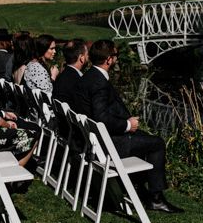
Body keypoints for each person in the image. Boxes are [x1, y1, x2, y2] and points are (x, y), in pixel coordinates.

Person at [73, 39, 184, 214]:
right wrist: (127, 124)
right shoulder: (99, 83)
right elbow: (101, 117)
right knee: (157, 143)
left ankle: (139, 188)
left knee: (144, 137)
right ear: (109, 59)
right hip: (107, 146)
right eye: (115, 56)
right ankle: (156, 198)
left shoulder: (87, 77)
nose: (116, 59)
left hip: (92, 142)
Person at [52, 39, 88, 108]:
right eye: (87, 55)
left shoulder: (62, 75)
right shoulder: (79, 82)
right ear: (82, 58)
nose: (88, 57)